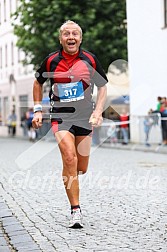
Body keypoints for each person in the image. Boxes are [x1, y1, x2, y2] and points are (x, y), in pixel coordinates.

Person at [32, 20, 107, 228]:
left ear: (80, 39)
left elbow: (102, 87)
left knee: (81, 167)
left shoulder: (90, 59)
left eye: (75, 34)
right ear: (60, 38)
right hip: (61, 117)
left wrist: (98, 111)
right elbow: (37, 82)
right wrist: (38, 110)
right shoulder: (51, 61)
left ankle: (71, 172)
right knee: (69, 157)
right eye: (66, 34)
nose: (71, 37)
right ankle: (75, 210)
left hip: (84, 118)